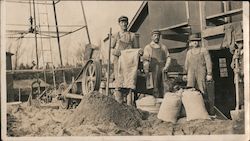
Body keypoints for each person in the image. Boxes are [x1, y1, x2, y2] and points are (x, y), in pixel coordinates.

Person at [111, 16, 142, 105]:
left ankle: (129, 107)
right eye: (122, 22)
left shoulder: (132, 36)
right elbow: (111, 49)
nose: (124, 24)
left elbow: (136, 49)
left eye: (125, 22)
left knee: (129, 84)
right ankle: (119, 105)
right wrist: (116, 52)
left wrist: (139, 52)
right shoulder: (116, 35)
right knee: (119, 84)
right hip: (118, 61)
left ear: (127, 23)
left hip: (129, 63)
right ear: (119, 24)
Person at [143, 30, 171, 98]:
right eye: (155, 36)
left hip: (162, 70)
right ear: (151, 37)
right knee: (154, 88)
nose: (156, 37)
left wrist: (166, 67)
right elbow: (145, 60)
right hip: (153, 70)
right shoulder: (148, 47)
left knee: (164, 87)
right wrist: (146, 70)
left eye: (158, 36)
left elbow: (168, 57)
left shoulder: (163, 47)